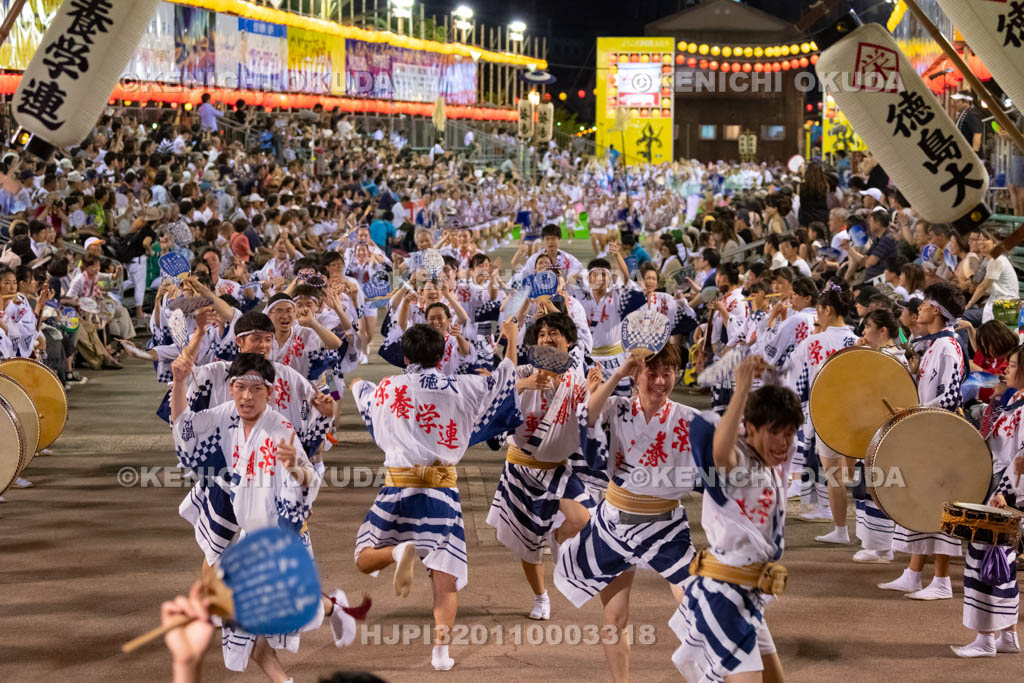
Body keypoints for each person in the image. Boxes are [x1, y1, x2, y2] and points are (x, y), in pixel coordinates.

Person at [170, 352, 358, 680]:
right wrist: (179, 382)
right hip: (244, 530)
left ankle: (332, 607)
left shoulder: (278, 428)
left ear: (269, 392)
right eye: (240, 386)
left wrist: (296, 468)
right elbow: (186, 430)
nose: (246, 395)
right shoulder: (226, 415)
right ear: (230, 388)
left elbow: (308, 480)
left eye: (255, 389)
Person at [350, 320, 521, 672]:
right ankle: (440, 655)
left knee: (365, 557)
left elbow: (361, 392)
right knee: (445, 575)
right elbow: (506, 380)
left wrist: (354, 383)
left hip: (397, 487)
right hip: (441, 491)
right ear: (444, 354)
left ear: (406, 355)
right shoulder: (465, 386)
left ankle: (398, 551)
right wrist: (513, 340)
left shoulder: (388, 387)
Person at [555, 343, 700, 683]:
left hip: (665, 526)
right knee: (614, 616)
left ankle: (706, 673)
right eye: (653, 372)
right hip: (615, 523)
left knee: (698, 605)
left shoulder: (686, 418)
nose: (661, 381)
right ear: (637, 375)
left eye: (668, 372)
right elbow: (586, 417)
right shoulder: (617, 407)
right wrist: (616, 374)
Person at [671, 355, 802, 683]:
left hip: (748, 595)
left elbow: (778, 416)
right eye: (776, 433)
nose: (784, 443)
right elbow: (719, 452)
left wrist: (769, 379)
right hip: (726, 596)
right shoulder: (737, 462)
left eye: (790, 434)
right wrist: (742, 387)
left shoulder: (770, 462)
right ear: (751, 429)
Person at [485, 313, 593, 621]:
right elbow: (492, 398)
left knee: (582, 517)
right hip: (521, 468)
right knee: (527, 543)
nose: (547, 338)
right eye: (542, 334)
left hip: (557, 467)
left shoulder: (575, 378)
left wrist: (599, 388)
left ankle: (557, 537)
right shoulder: (524, 371)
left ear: (568, 341)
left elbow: (593, 414)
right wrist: (524, 384)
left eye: (554, 332)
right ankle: (540, 596)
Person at [880, 282, 966, 599]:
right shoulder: (932, 345)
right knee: (921, 501)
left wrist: (916, 409)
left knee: (936, 504)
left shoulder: (947, 346)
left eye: (926, 303)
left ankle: (942, 581)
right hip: (927, 431)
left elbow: (953, 396)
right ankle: (914, 572)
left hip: (940, 435)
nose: (921, 307)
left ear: (938, 311)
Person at [784, 284, 858, 529]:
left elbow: (793, 377)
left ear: (827, 310)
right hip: (853, 413)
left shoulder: (814, 342)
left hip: (823, 410)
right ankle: (833, 515)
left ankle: (830, 514)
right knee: (839, 472)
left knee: (826, 468)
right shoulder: (857, 340)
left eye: (819, 310)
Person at [850, 309, 906, 562]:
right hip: (871, 428)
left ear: (883, 330)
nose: (863, 332)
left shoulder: (893, 357)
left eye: (868, 326)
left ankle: (883, 547)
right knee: (867, 485)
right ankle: (875, 543)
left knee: (879, 485)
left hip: (885, 429)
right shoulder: (881, 355)